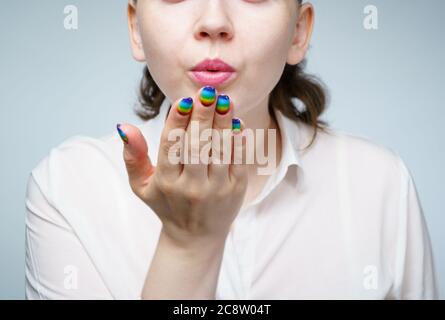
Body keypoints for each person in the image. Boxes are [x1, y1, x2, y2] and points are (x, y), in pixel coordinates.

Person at [25, 0, 438, 299]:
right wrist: (189, 242)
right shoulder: (67, 186)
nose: (215, 21)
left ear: (298, 31)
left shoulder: (380, 183)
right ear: (136, 27)